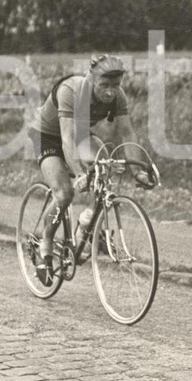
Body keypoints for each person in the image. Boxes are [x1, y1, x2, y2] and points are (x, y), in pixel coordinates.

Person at [26, 52, 156, 284]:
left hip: (80, 136)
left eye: (115, 85)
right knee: (65, 193)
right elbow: (67, 139)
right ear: (90, 78)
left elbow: (127, 132)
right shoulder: (72, 90)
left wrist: (138, 170)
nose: (110, 91)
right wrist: (79, 173)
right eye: (104, 85)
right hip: (48, 136)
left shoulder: (118, 96)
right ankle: (44, 242)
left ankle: (86, 226)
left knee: (105, 167)